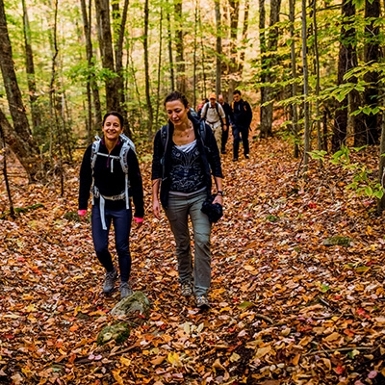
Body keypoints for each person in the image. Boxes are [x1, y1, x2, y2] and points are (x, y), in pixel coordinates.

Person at [151, 91, 224, 310]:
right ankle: (185, 280)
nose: (173, 115)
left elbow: (215, 161)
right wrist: (154, 198)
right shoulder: (163, 135)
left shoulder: (203, 130)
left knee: (202, 240)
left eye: (177, 110)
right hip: (173, 198)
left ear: (187, 108)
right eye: (169, 112)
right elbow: (156, 167)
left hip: (199, 195)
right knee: (182, 242)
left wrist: (220, 193)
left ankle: (201, 292)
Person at [78, 111, 144, 299]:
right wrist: (82, 204)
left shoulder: (127, 152)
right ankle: (110, 271)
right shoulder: (93, 150)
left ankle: (124, 281)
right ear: (102, 127)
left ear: (121, 129)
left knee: (122, 246)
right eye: (108, 124)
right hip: (100, 205)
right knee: (100, 247)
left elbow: (136, 181)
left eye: (115, 125)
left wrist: (139, 210)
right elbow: (84, 176)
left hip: (122, 205)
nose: (111, 128)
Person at [231, 90, 253, 161]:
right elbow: (230, 114)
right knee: (236, 139)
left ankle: (246, 153)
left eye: (237, 97)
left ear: (240, 96)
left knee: (245, 139)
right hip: (236, 125)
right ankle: (235, 156)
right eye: (234, 97)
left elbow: (250, 114)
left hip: (244, 125)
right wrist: (232, 123)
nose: (236, 98)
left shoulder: (245, 104)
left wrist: (247, 124)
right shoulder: (232, 104)